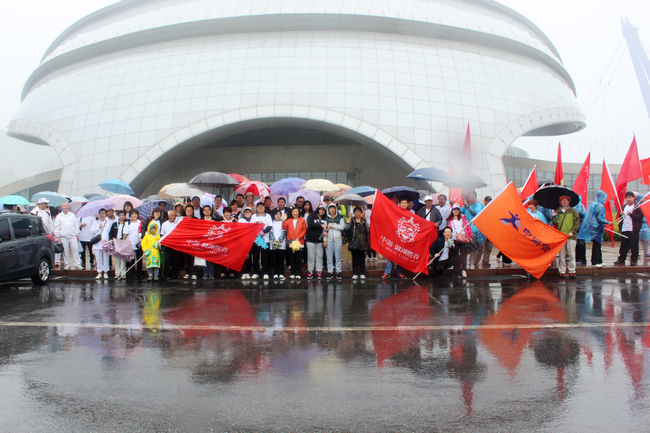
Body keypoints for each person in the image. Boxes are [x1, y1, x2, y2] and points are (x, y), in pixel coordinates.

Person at [577, 190, 610, 268]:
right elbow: (599, 218)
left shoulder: (592, 204)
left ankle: (599, 260)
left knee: (596, 244)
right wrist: (608, 222)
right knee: (597, 245)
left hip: (591, 228)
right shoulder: (600, 206)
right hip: (597, 228)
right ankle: (596, 261)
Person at [552, 196, 581, 278]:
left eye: (566, 200)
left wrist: (572, 232)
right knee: (561, 255)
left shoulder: (573, 211)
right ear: (560, 202)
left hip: (571, 236)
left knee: (571, 254)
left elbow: (577, 223)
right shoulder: (557, 211)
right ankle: (562, 271)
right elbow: (555, 223)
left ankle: (572, 270)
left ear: (569, 201)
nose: (564, 202)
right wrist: (554, 217)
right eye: (562, 200)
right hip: (561, 236)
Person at [382, 198, 410, 280]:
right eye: (402, 203)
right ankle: (387, 273)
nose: (404, 204)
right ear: (399, 204)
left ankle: (399, 272)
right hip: (394, 237)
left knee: (401, 256)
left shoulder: (410, 214)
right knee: (391, 255)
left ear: (407, 204)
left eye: (405, 203)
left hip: (404, 238)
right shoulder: (395, 212)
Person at [614, 191, 643, 266]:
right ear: (625, 198)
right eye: (627, 198)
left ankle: (634, 259)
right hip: (624, 229)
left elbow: (640, 217)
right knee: (623, 245)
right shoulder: (624, 207)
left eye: (630, 197)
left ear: (633, 198)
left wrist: (631, 214)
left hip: (633, 230)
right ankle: (621, 259)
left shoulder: (637, 207)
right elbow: (620, 217)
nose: (629, 199)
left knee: (634, 246)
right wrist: (621, 215)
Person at [53, 202, 82, 271]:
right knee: (65, 251)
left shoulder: (72, 215)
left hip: (72, 235)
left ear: (68, 207)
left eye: (66, 205)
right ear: (61, 207)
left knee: (75, 249)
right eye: (64, 206)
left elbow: (76, 225)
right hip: (63, 236)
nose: (65, 207)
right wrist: (57, 236)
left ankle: (77, 264)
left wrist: (77, 234)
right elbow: (57, 227)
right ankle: (67, 264)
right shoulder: (59, 216)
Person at [324, 204, 349, 280]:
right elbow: (324, 230)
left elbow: (342, 227)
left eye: (333, 208)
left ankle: (338, 272)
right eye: (330, 209)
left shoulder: (339, 217)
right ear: (328, 210)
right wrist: (324, 240)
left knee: (338, 256)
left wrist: (332, 226)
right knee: (329, 257)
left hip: (338, 239)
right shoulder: (326, 218)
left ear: (335, 209)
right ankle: (330, 272)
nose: (332, 210)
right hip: (329, 239)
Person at [462, 191, 486, 268]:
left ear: (476, 197)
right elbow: (458, 212)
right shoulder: (466, 205)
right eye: (470, 196)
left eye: (473, 196)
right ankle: (467, 263)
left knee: (476, 247)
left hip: (477, 230)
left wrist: (468, 207)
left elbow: (476, 214)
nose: (471, 198)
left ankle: (473, 262)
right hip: (467, 230)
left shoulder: (479, 205)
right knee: (468, 247)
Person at [448, 203, 472, 277]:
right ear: (452, 211)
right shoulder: (450, 220)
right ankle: (456, 271)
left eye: (457, 210)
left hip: (463, 238)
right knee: (456, 255)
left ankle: (464, 270)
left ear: (459, 211)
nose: (456, 211)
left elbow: (468, 227)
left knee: (463, 255)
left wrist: (470, 236)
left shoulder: (463, 218)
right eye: (454, 210)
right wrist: (449, 239)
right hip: (454, 239)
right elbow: (449, 230)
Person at [283, 207, 307, 279]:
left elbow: (304, 230)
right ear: (291, 213)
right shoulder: (289, 220)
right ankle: (293, 273)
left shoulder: (302, 220)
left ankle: (298, 273)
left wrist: (299, 237)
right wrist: (283, 220)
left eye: (296, 212)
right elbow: (284, 228)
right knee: (292, 258)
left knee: (299, 258)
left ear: (298, 212)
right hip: (291, 242)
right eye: (293, 212)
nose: (295, 213)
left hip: (299, 242)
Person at [251, 202, 273, 279]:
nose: (260, 208)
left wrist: (264, 232)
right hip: (256, 240)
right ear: (256, 208)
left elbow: (270, 226)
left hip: (265, 239)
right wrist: (257, 223)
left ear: (264, 208)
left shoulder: (268, 216)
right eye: (259, 207)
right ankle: (256, 272)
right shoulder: (253, 216)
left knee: (265, 256)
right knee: (255, 256)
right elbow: (251, 226)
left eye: (262, 206)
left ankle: (266, 272)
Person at [306, 205, 327, 280]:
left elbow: (326, 228)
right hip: (310, 239)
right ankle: (310, 271)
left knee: (319, 256)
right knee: (311, 256)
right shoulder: (312, 215)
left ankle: (319, 271)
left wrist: (325, 233)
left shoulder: (325, 218)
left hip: (320, 240)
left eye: (323, 210)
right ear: (318, 209)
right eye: (320, 210)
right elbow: (310, 224)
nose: (321, 211)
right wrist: (320, 225)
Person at [349, 206, 370, 280]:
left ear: (361, 213)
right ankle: (355, 273)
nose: (357, 213)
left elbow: (367, 229)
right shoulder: (352, 221)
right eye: (356, 212)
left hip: (362, 242)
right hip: (354, 242)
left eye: (359, 212)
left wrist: (365, 218)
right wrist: (349, 218)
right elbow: (347, 227)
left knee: (362, 259)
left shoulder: (364, 220)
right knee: (355, 259)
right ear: (354, 213)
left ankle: (362, 273)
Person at [90, 208, 112, 279]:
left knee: (106, 258)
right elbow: (92, 232)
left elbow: (110, 233)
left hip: (105, 243)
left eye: (103, 213)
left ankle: (105, 271)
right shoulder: (95, 222)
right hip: (97, 243)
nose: (102, 214)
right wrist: (98, 228)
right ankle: (99, 272)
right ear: (99, 214)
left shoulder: (108, 222)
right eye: (101, 213)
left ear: (106, 214)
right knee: (98, 258)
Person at [108, 210, 129, 279]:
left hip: (123, 242)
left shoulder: (126, 224)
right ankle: (117, 273)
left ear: (125, 216)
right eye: (120, 215)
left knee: (123, 259)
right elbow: (110, 233)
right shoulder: (114, 224)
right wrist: (111, 241)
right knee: (116, 259)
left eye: (123, 215)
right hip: (115, 242)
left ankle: (123, 274)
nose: (121, 217)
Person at [161, 210, 182, 279]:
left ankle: (174, 274)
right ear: (168, 216)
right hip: (168, 245)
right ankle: (165, 274)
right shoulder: (164, 224)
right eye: (172, 215)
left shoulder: (177, 223)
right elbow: (162, 234)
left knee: (176, 260)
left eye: (175, 216)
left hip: (176, 244)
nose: (173, 217)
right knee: (167, 259)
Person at [269, 210, 287, 280]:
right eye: (276, 214)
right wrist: (274, 240)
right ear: (274, 215)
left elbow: (284, 232)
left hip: (281, 244)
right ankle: (275, 273)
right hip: (273, 244)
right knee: (274, 259)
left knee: (281, 259)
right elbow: (270, 232)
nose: (277, 215)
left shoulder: (283, 222)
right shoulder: (271, 223)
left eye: (279, 214)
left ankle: (281, 273)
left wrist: (279, 240)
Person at [182, 205, 199, 279]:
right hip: (185, 241)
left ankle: (194, 273)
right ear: (185, 211)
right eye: (187, 210)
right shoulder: (182, 219)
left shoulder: (196, 219)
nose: (189, 211)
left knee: (193, 259)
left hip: (193, 241)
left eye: (190, 210)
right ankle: (187, 273)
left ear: (192, 211)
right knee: (186, 258)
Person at [126, 210, 143, 279]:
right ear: (130, 215)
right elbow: (126, 233)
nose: (134, 216)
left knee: (139, 259)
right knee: (132, 260)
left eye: (135, 214)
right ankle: (132, 274)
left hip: (139, 243)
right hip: (131, 243)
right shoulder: (128, 223)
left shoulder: (140, 223)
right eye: (132, 214)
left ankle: (139, 273)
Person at [574, 198, 587, 266]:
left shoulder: (580, 206)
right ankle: (577, 259)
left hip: (581, 227)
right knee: (576, 244)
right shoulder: (572, 206)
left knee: (581, 244)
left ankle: (582, 259)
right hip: (575, 228)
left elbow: (584, 215)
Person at [637, 194, 650, 258]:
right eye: (642, 198)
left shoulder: (646, 207)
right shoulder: (636, 207)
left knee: (646, 240)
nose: (644, 199)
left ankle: (646, 252)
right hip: (638, 226)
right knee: (636, 240)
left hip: (646, 227)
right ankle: (636, 252)